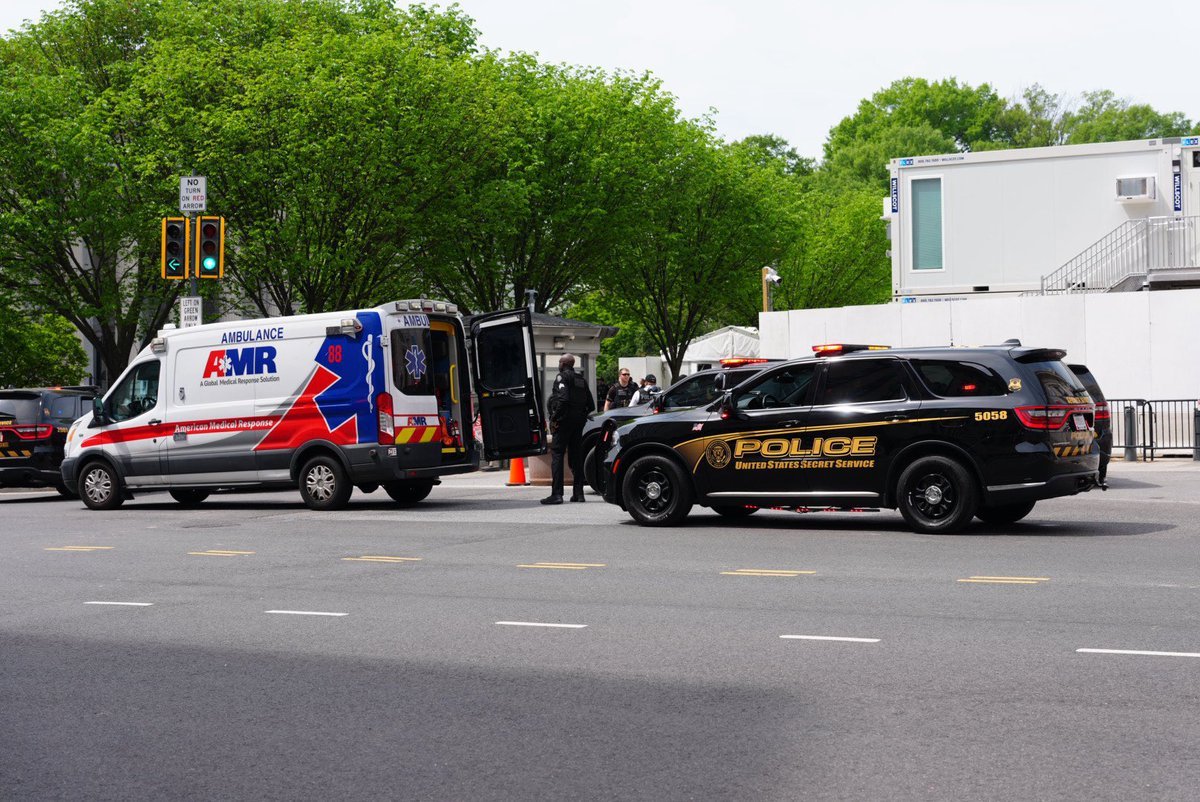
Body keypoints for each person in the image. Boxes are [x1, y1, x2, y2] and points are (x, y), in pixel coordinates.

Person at [541, 354, 594, 505]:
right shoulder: (581, 380)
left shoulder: (562, 377)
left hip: (564, 423)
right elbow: (591, 405)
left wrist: (555, 418)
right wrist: (581, 416)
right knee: (576, 456)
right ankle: (579, 494)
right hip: (578, 423)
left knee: (557, 455)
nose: (558, 364)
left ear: (563, 364)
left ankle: (557, 494)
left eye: (559, 361)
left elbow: (563, 399)